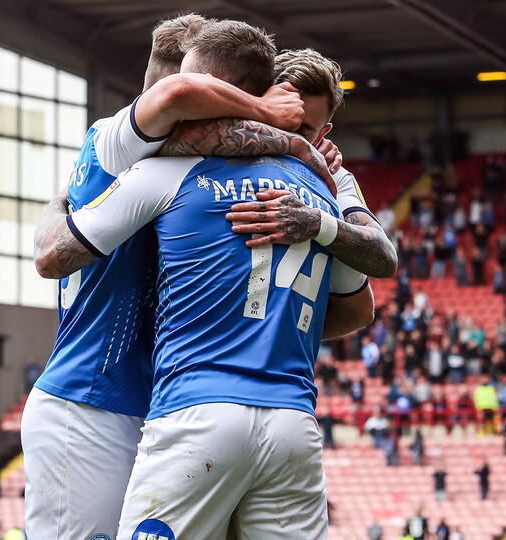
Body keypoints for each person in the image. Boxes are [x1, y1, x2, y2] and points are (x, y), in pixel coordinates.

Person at [36, 35, 365, 538]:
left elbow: (358, 306)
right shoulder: (120, 143)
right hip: (94, 399)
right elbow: (359, 304)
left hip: (179, 402)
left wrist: (250, 321)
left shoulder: (179, 169)